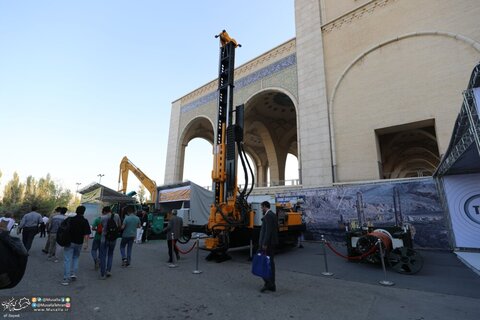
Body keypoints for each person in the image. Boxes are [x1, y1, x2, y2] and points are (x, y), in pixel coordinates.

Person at [62, 206, 91, 286]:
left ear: (76, 211)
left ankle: (65, 279)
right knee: (76, 258)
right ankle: (73, 274)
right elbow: (86, 234)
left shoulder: (70, 219)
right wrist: (86, 244)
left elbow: (63, 229)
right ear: (83, 212)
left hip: (69, 242)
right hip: (79, 243)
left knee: (67, 259)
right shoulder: (85, 221)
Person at [258, 201, 278, 293]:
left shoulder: (268, 216)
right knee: (269, 264)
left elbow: (268, 231)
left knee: (265, 264)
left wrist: (264, 244)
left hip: (268, 244)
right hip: (271, 243)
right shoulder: (272, 214)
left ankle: (268, 283)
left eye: (262, 208)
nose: (261, 209)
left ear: (265, 206)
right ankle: (272, 284)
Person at [98, 206, 121, 280]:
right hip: (113, 238)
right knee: (110, 254)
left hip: (104, 239)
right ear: (110, 210)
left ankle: (102, 274)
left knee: (103, 256)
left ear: (104, 211)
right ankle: (108, 271)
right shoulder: (117, 216)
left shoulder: (102, 217)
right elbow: (119, 225)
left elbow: (101, 226)